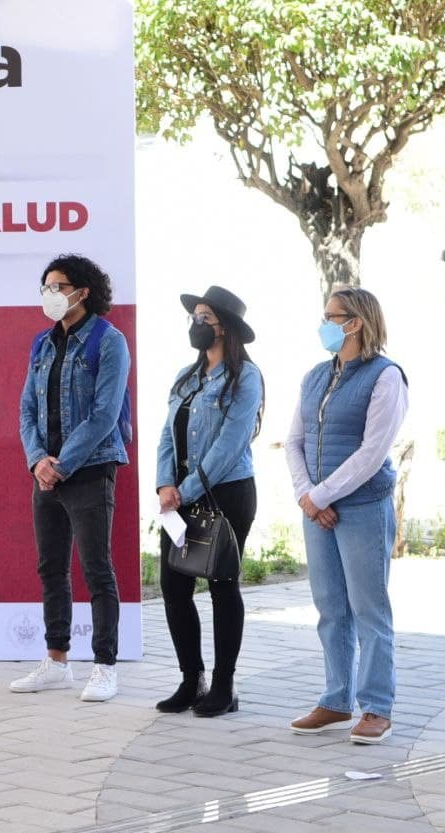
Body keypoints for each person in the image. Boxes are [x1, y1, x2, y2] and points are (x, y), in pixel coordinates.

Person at [285, 287, 408, 744]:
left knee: (368, 608)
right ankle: (336, 700)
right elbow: (294, 441)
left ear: (355, 322)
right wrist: (307, 496)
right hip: (316, 509)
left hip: (362, 506)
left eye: (331, 317)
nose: (324, 324)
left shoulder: (385, 376)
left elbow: (372, 452)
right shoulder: (316, 375)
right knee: (330, 608)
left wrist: (323, 494)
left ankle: (377, 707)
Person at [13, 254, 131, 702]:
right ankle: (56, 660)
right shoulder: (42, 344)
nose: (50, 295)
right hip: (46, 474)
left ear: (83, 292)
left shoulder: (108, 341)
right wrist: (38, 461)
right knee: (51, 568)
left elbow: (104, 415)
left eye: (58, 286)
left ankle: (104, 667)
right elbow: (26, 410)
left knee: (97, 569)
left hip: (90, 468)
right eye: (46, 287)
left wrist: (61, 464)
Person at [154, 286, 263, 717]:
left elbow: (231, 444)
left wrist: (187, 489)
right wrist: (166, 484)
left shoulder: (245, 377)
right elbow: (167, 434)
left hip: (227, 493)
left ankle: (224, 687)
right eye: (193, 317)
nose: (196, 325)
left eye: (205, 318)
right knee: (173, 585)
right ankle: (190, 679)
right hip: (177, 495)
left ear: (225, 328)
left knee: (221, 585)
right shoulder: (185, 376)